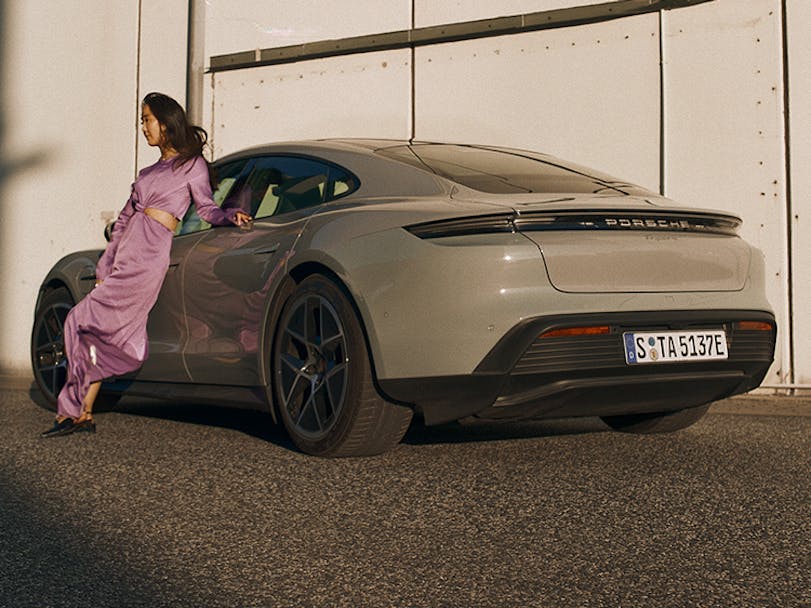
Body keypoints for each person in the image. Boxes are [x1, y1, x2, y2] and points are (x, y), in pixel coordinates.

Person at [41, 92, 252, 438]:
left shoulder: (191, 166)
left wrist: (229, 215)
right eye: (141, 120)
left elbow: (206, 209)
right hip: (126, 255)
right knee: (94, 332)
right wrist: (104, 268)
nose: (143, 127)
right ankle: (83, 414)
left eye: (147, 119)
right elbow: (123, 222)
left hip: (150, 257)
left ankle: (72, 410)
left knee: (79, 320)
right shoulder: (147, 172)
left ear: (166, 124)